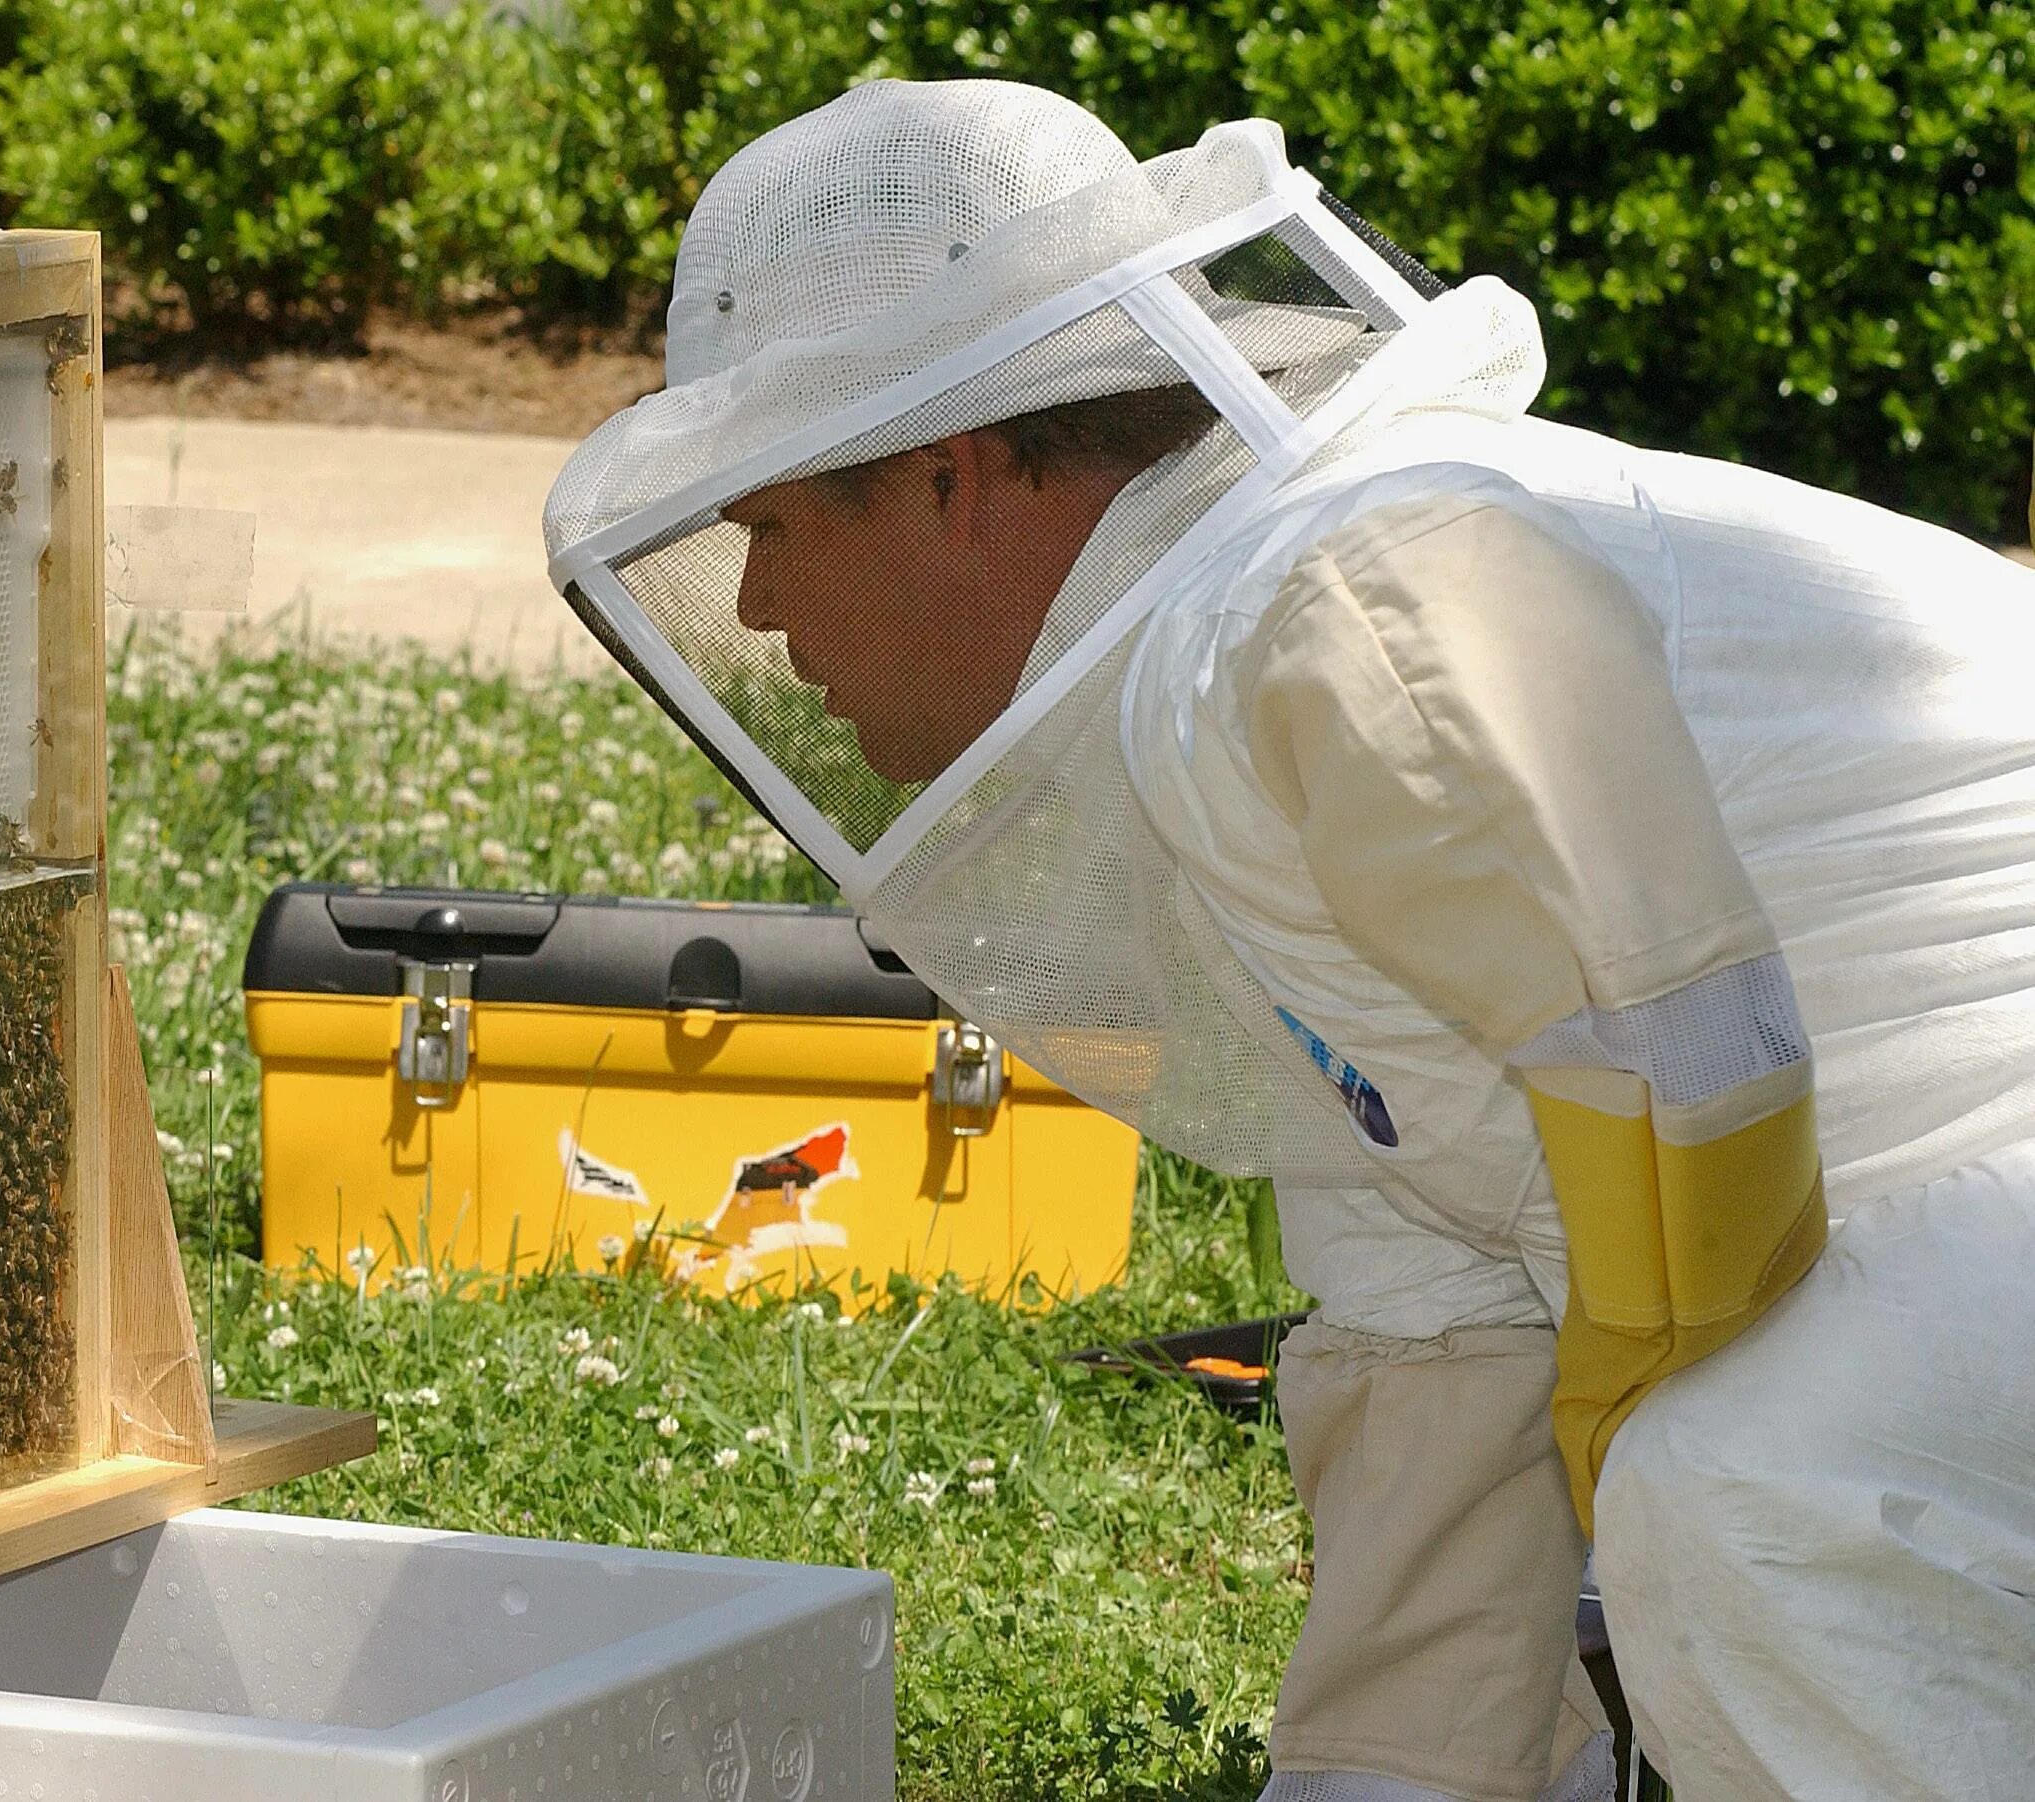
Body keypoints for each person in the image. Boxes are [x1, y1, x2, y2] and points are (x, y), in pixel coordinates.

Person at [543, 78, 2035, 1802]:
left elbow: (1669, 1051)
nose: (755, 609)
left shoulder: (1315, 591)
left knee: (1748, 1491)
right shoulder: (1235, 708)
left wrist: (1644, 1398)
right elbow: (1440, 1360)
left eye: (777, 526)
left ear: (946, 477)